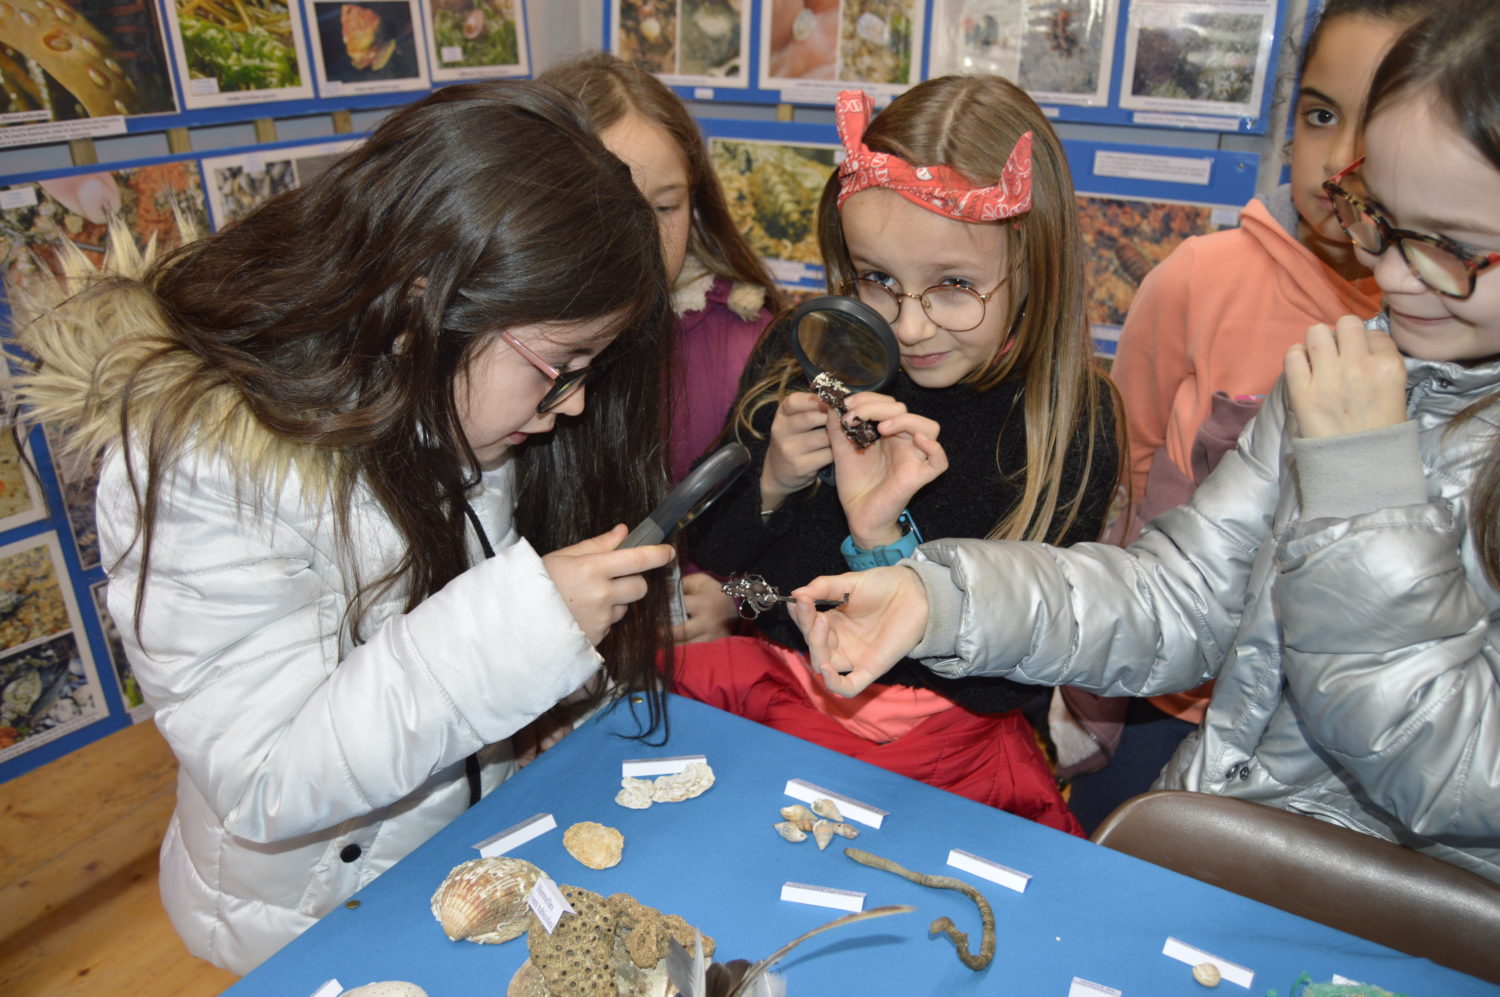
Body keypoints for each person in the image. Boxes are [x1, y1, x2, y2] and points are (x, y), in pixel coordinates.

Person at [788, 0, 1500, 883]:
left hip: (1422, 915)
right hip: (1230, 853)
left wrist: (1360, 490)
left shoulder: (1350, 410)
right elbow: (1182, 598)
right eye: (1381, 221)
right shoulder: (1357, 367)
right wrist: (943, 597)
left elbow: (1458, 778)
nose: (1389, 275)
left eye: (1454, 248)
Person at [5, 82, 679, 972]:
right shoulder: (207, 462)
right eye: (560, 365)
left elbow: (437, 642)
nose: (577, 401)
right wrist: (528, 627)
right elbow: (267, 778)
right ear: (420, 304)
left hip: (438, 857)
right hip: (301, 916)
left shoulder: (451, 401)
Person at [677, 77, 1122, 834]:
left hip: (947, 757)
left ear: (1033, 265)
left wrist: (883, 540)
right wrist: (775, 482)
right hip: (772, 694)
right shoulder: (805, 360)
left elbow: (1002, 682)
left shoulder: (1070, 424)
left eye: (953, 285)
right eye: (876, 279)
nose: (909, 328)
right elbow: (750, 576)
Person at [1063, 0, 1443, 833]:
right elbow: (1124, 477)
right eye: (1318, 115)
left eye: (1377, 122)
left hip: (1337, 756)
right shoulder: (1199, 278)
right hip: (1167, 702)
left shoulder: (1444, 323)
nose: (1340, 160)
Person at [538, 52, 782, 646]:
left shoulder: (750, 342)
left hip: (706, 678)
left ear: (695, 205)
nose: (642, 239)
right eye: (608, 210)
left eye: (665, 207)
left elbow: (805, 545)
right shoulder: (510, 354)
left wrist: (742, 603)